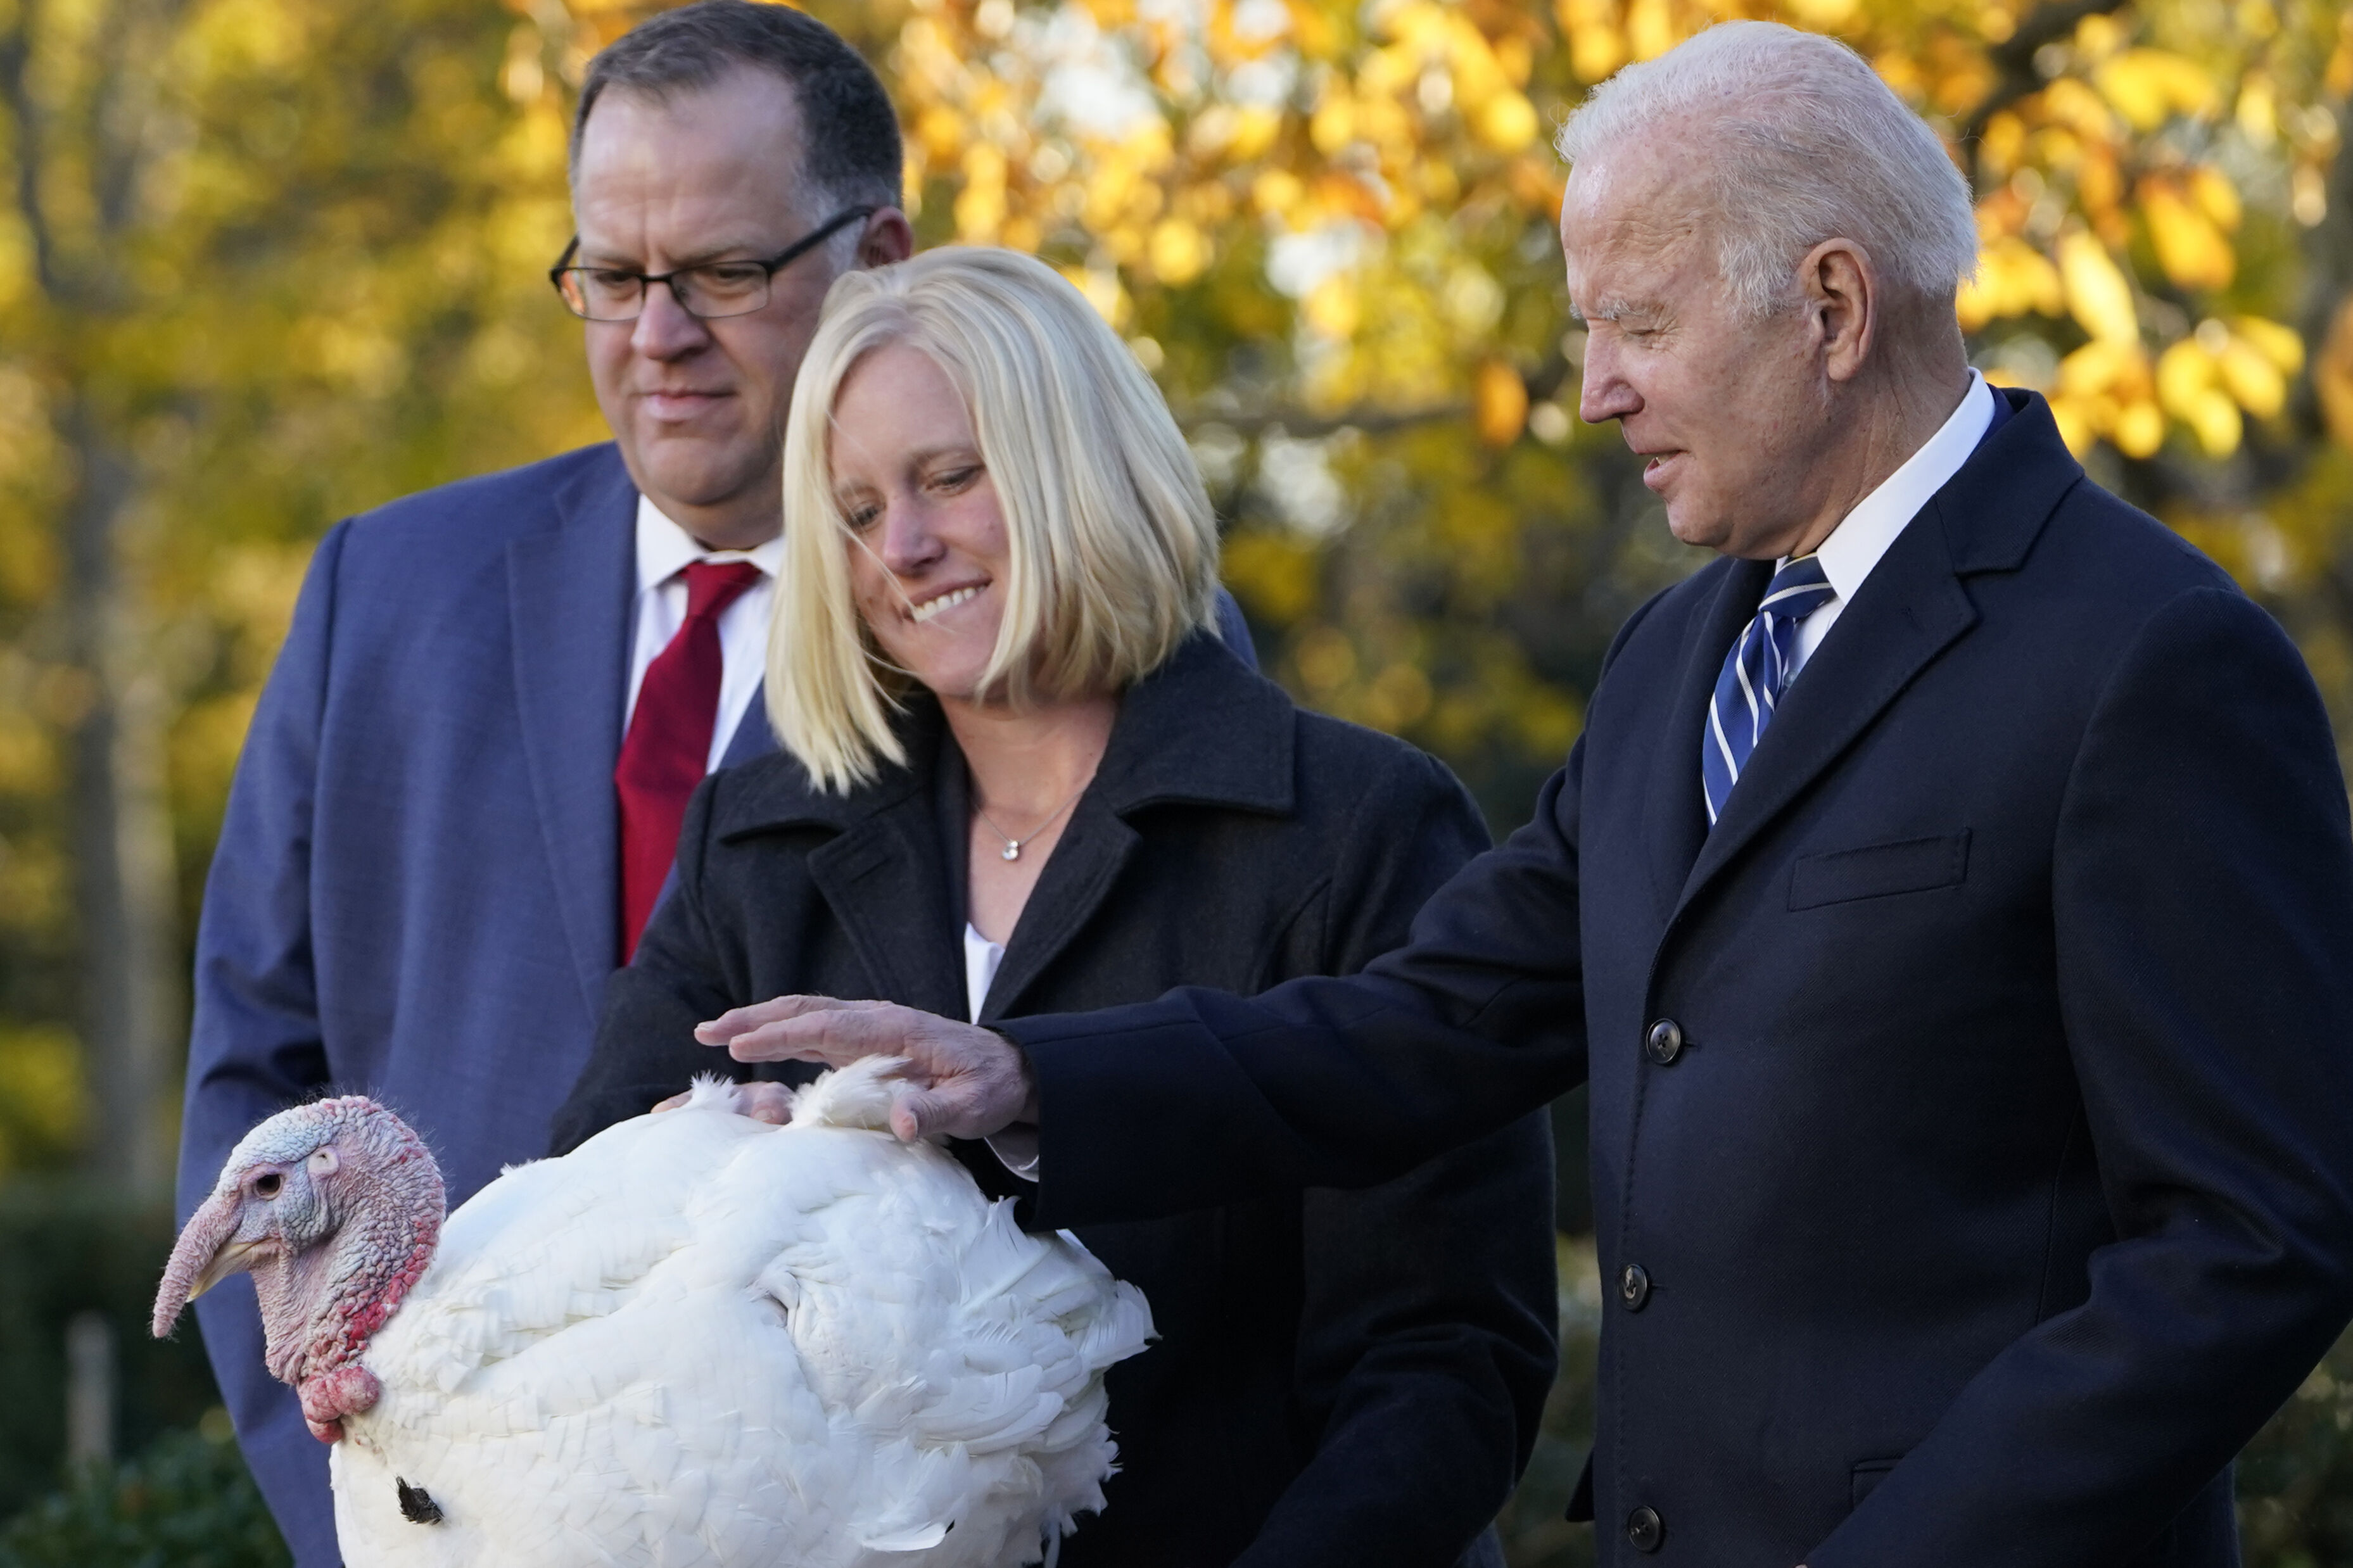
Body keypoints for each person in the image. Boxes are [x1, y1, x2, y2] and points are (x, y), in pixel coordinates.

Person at [703, 23, 2353, 1568]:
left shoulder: (2146, 660)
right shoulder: (1667, 661)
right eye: (1586, 331)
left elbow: (2249, 1244)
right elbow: (1424, 1024)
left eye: (1637, 324)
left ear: (1831, 309)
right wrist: (1021, 1072)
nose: (1593, 390)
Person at [174, 7, 1253, 1560]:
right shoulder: (384, 589)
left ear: (878, 249)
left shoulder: (1043, 615)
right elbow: (258, 1079)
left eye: (724, 274)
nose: (655, 333)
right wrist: (382, 1516)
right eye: (610, 277)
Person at [549, 247, 1559, 1568]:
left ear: (1075, 460)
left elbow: (1441, 1357)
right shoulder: (763, 835)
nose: (901, 548)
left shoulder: (1352, 823)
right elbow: (585, 1239)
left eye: (950, 477)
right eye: (853, 509)